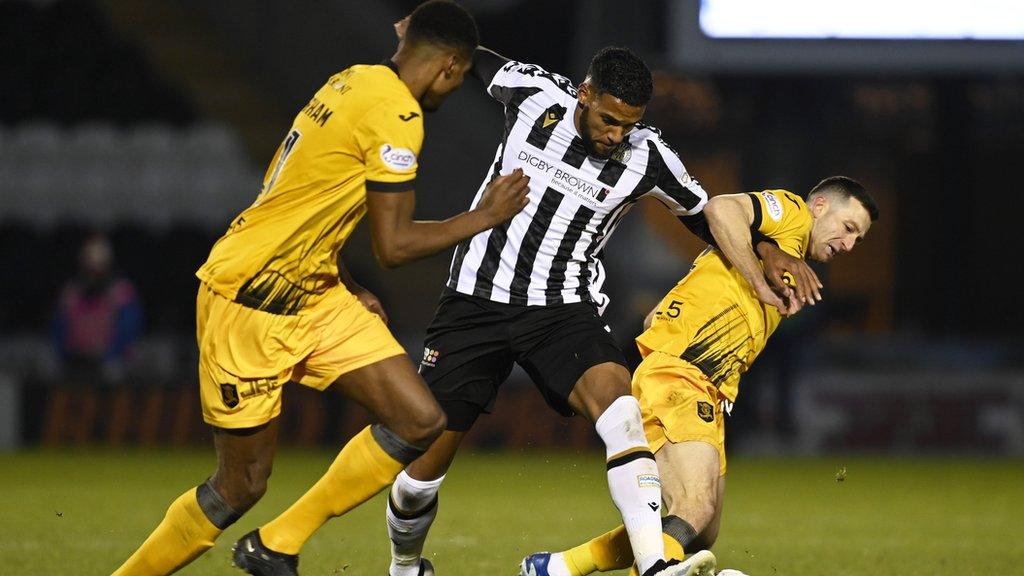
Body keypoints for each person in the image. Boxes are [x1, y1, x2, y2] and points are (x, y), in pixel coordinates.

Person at [369, 16, 822, 576]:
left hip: (563, 310)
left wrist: (769, 248)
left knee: (623, 412)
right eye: (608, 120)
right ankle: (405, 564)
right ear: (584, 94)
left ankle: (654, 565)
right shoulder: (533, 93)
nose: (615, 136)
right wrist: (425, 36)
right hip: (475, 301)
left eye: (628, 127)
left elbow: (710, 217)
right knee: (421, 475)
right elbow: (471, 61)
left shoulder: (649, 156)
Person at [110, 2, 530, 575]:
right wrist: (485, 215)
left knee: (419, 420)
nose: (451, 92)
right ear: (450, 67)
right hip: (248, 303)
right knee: (240, 486)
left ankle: (277, 543)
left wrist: (347, 282)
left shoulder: (351, 80)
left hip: (317, 291)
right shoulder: (399, 115)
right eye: (456, 81)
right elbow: (395, 246)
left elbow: (308, 196)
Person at [520, 176, 879, 576]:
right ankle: (654, 571)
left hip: (704, 384)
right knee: (695, 505)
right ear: (820, 207)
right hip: (682, 374)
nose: (848, 245)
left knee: (702, 528)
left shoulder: (780, 250)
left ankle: (559, 568)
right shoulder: (792, 213)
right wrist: (760, 283)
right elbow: (720, 208)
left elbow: (703, 276)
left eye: (858, 241)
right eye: (849, 229)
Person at [53, 233, 142, 383]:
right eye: (90, 257)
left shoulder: (121, 292)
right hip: (74, 361)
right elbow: (59, 329)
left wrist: (111, 354)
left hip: (112, 363)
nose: (95, 262)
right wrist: (65, 354)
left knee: (113, 373)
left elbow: (129, 329)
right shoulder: (71, 292)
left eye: (100, 257)